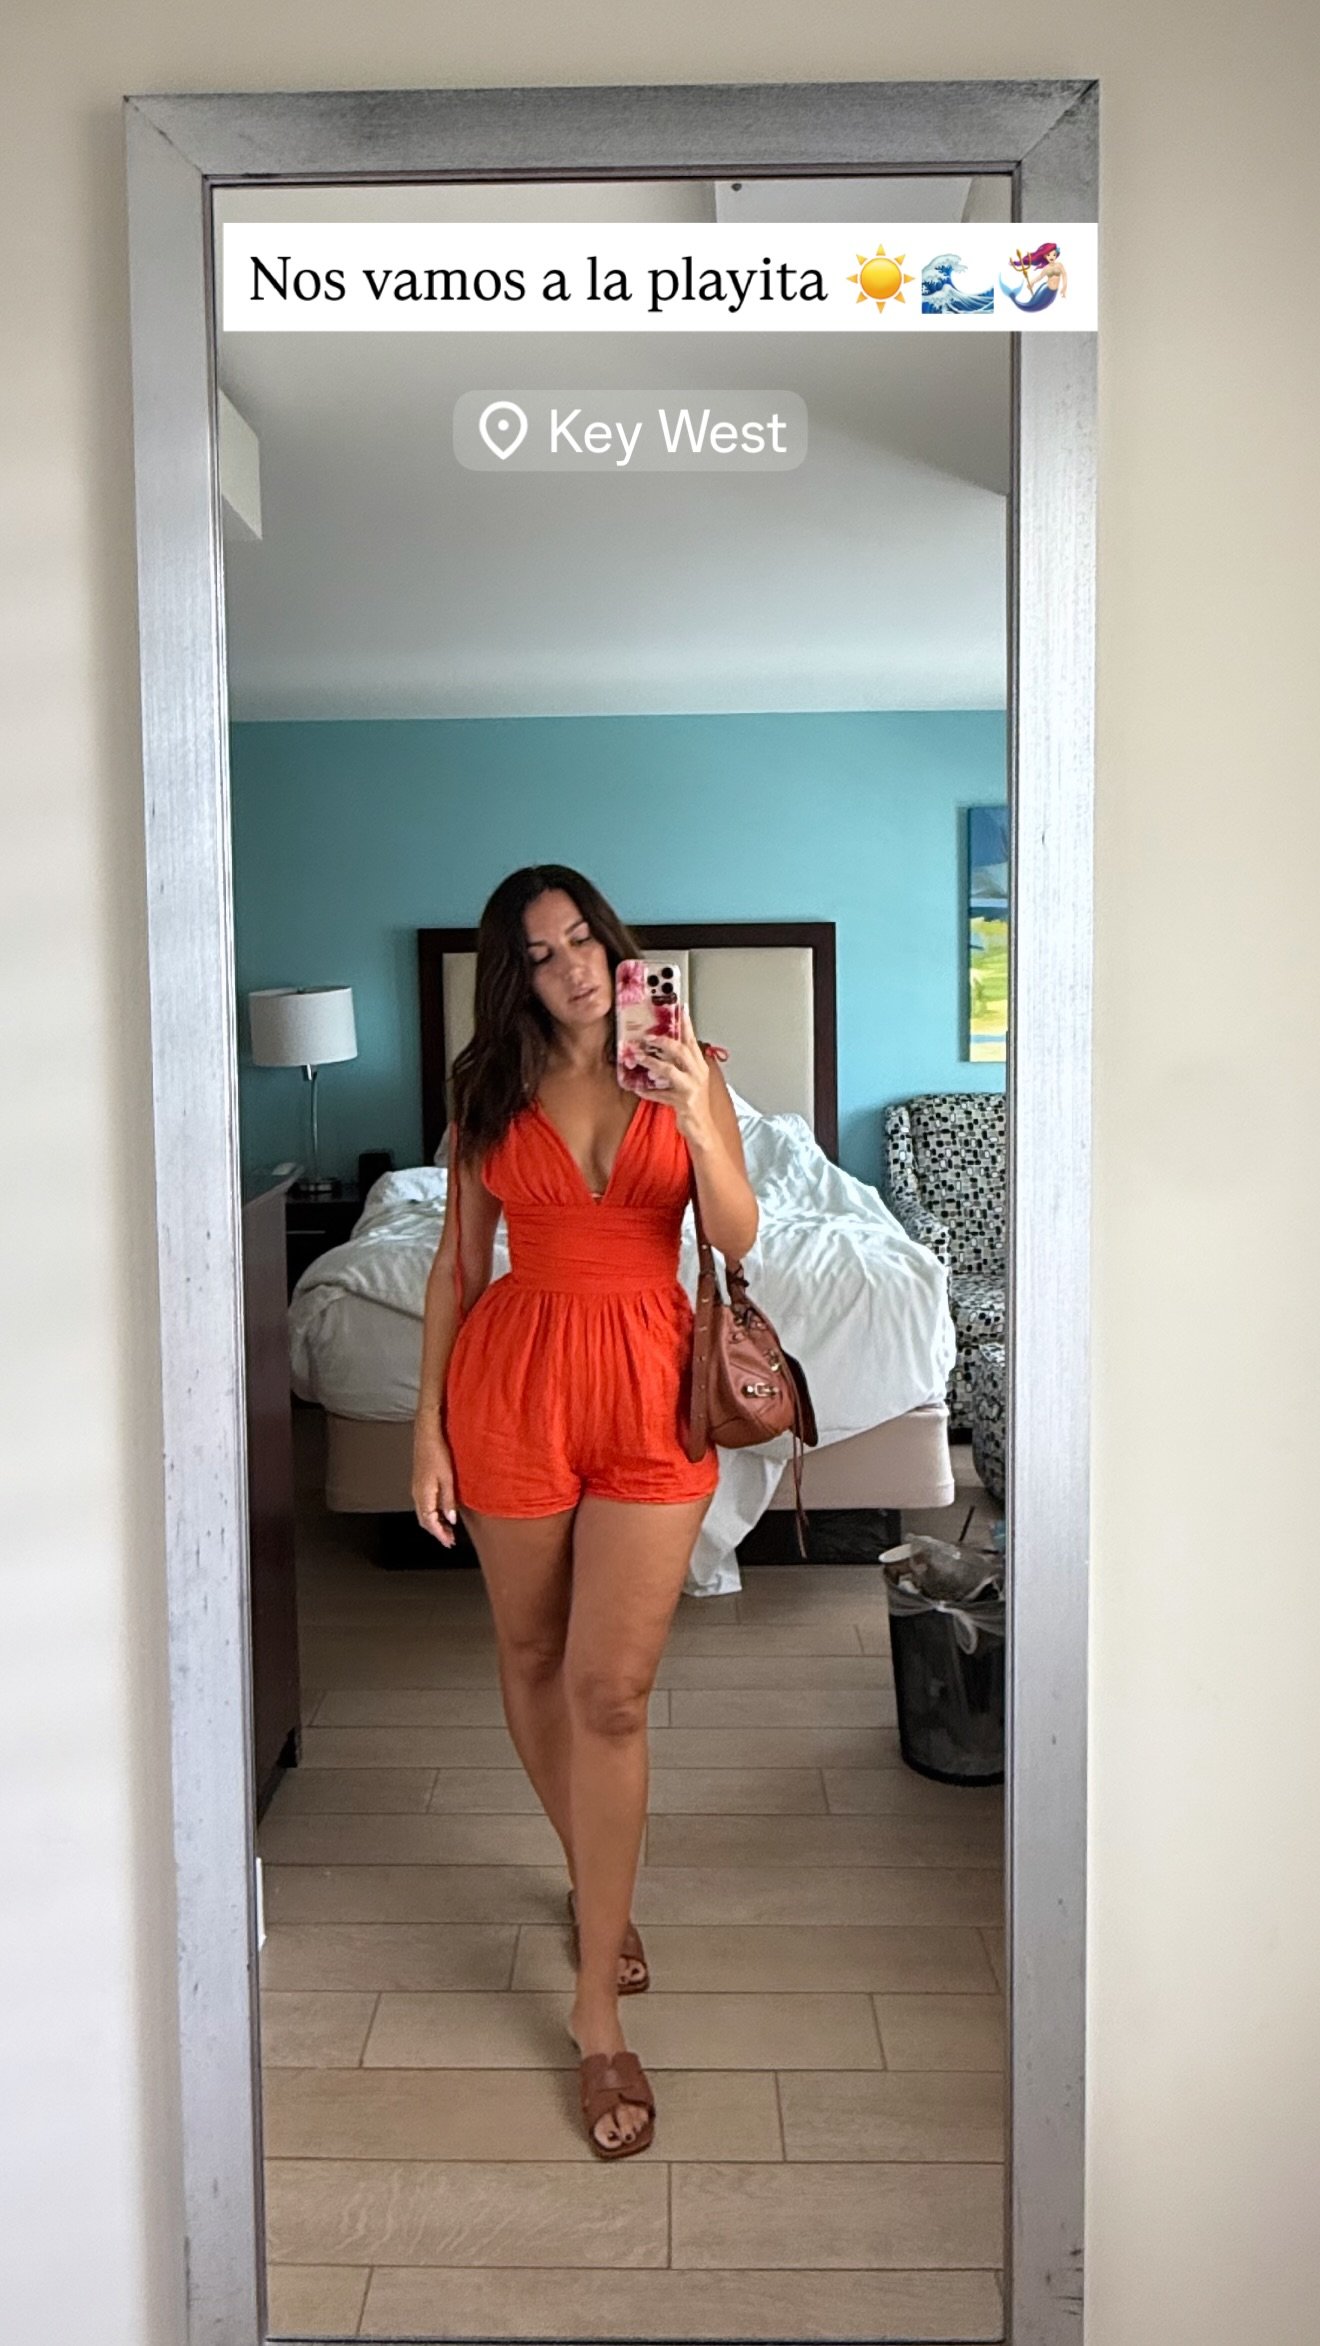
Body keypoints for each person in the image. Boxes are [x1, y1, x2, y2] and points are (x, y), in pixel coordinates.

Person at [411, 866, 758, 2159]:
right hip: (514, 1383)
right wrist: (424, 1425)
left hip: (652, 1384)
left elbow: (737, 1231)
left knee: (611, 1693)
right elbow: (457, 1264)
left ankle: (595, 2008)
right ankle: (595, 1886)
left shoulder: (689, 1065)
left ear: (617, 949)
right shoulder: (487, 1089)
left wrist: (698, 1113)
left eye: (584, 940)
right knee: (531, 1653)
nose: (570, 968)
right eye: (542, 951)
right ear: (515, 971)